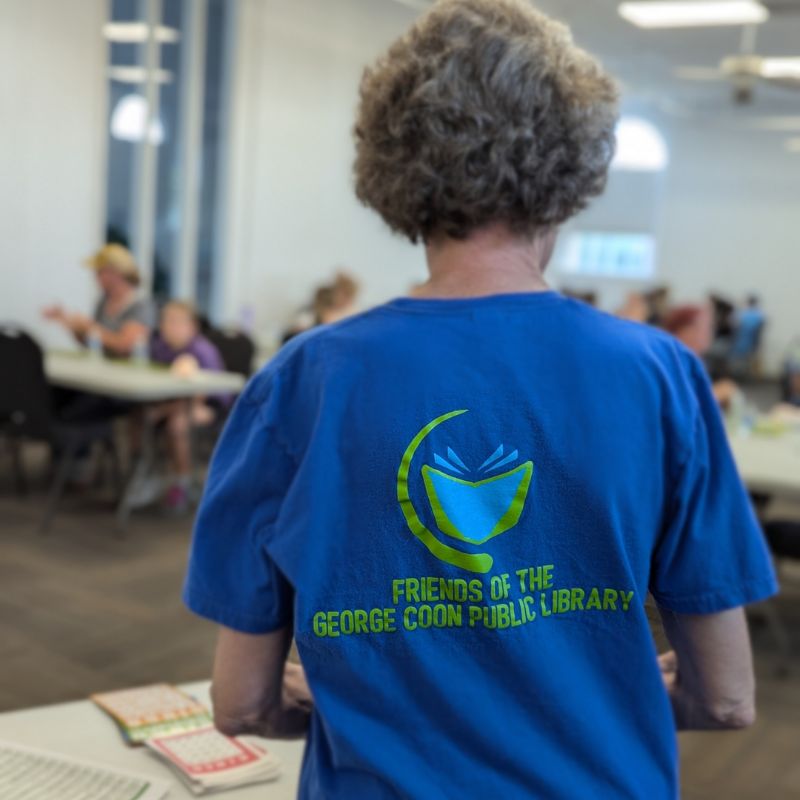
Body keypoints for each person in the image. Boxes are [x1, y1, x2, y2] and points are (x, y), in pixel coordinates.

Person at [184, 2, 777, 798]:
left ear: (392, 165)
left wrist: (332, 712)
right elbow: (730, 699)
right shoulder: (660, 375)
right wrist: (616, 699)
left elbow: (241, 702)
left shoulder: (301, 382)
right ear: (573, 169)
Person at [148, 301, 227, 512]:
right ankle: (147, 474)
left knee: (178, 425)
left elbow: (199, 395)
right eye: (166, 321)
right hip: (172, 400)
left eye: (177, 322)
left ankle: (181, 482)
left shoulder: (202, 351)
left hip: (210, 403)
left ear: (192, 327)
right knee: (139, 416)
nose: (169, 326)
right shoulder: (160, 347)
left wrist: (162, 411)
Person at [42, 243, 154, 358]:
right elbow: (93, 343)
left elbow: (125, 346)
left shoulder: (140, 305)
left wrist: (90, 328)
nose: (96, 277)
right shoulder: (104, 301)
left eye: (100, 272)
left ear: (115, 273)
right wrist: (72, 325)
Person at [663, 304, 740, 408]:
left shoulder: (696, 360)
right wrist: (714, 395)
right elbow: (678, 406)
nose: (710, 332)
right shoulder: (672, 362)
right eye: (705, 327)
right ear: (685, 330)